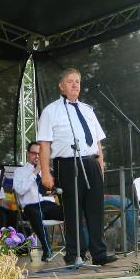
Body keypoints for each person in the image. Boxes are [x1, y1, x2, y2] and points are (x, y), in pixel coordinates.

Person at [37, 67, 117, 266]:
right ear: (61, 86)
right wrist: (45, 172)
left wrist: (100, 166)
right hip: (67, 164)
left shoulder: (88, 110)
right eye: (70, 81)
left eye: (77, 81)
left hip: (90, 162)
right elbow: (44, 144)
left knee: (95, 210)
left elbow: (97, 141)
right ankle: (74, 254)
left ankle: (99, 253)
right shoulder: (51, 111)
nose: (74, 85)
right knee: (72, 211)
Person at [13, 141, 64, 261]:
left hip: (49, 205)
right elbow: (20, 190)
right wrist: (36, 171)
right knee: (35, 212)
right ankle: (47, 249)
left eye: (39, 153)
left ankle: (79, 249)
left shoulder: (49, 171)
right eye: (33, 153)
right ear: (28, 154)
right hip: (30, 207)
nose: (37, 156)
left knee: (72, 212)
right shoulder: (20, 171)